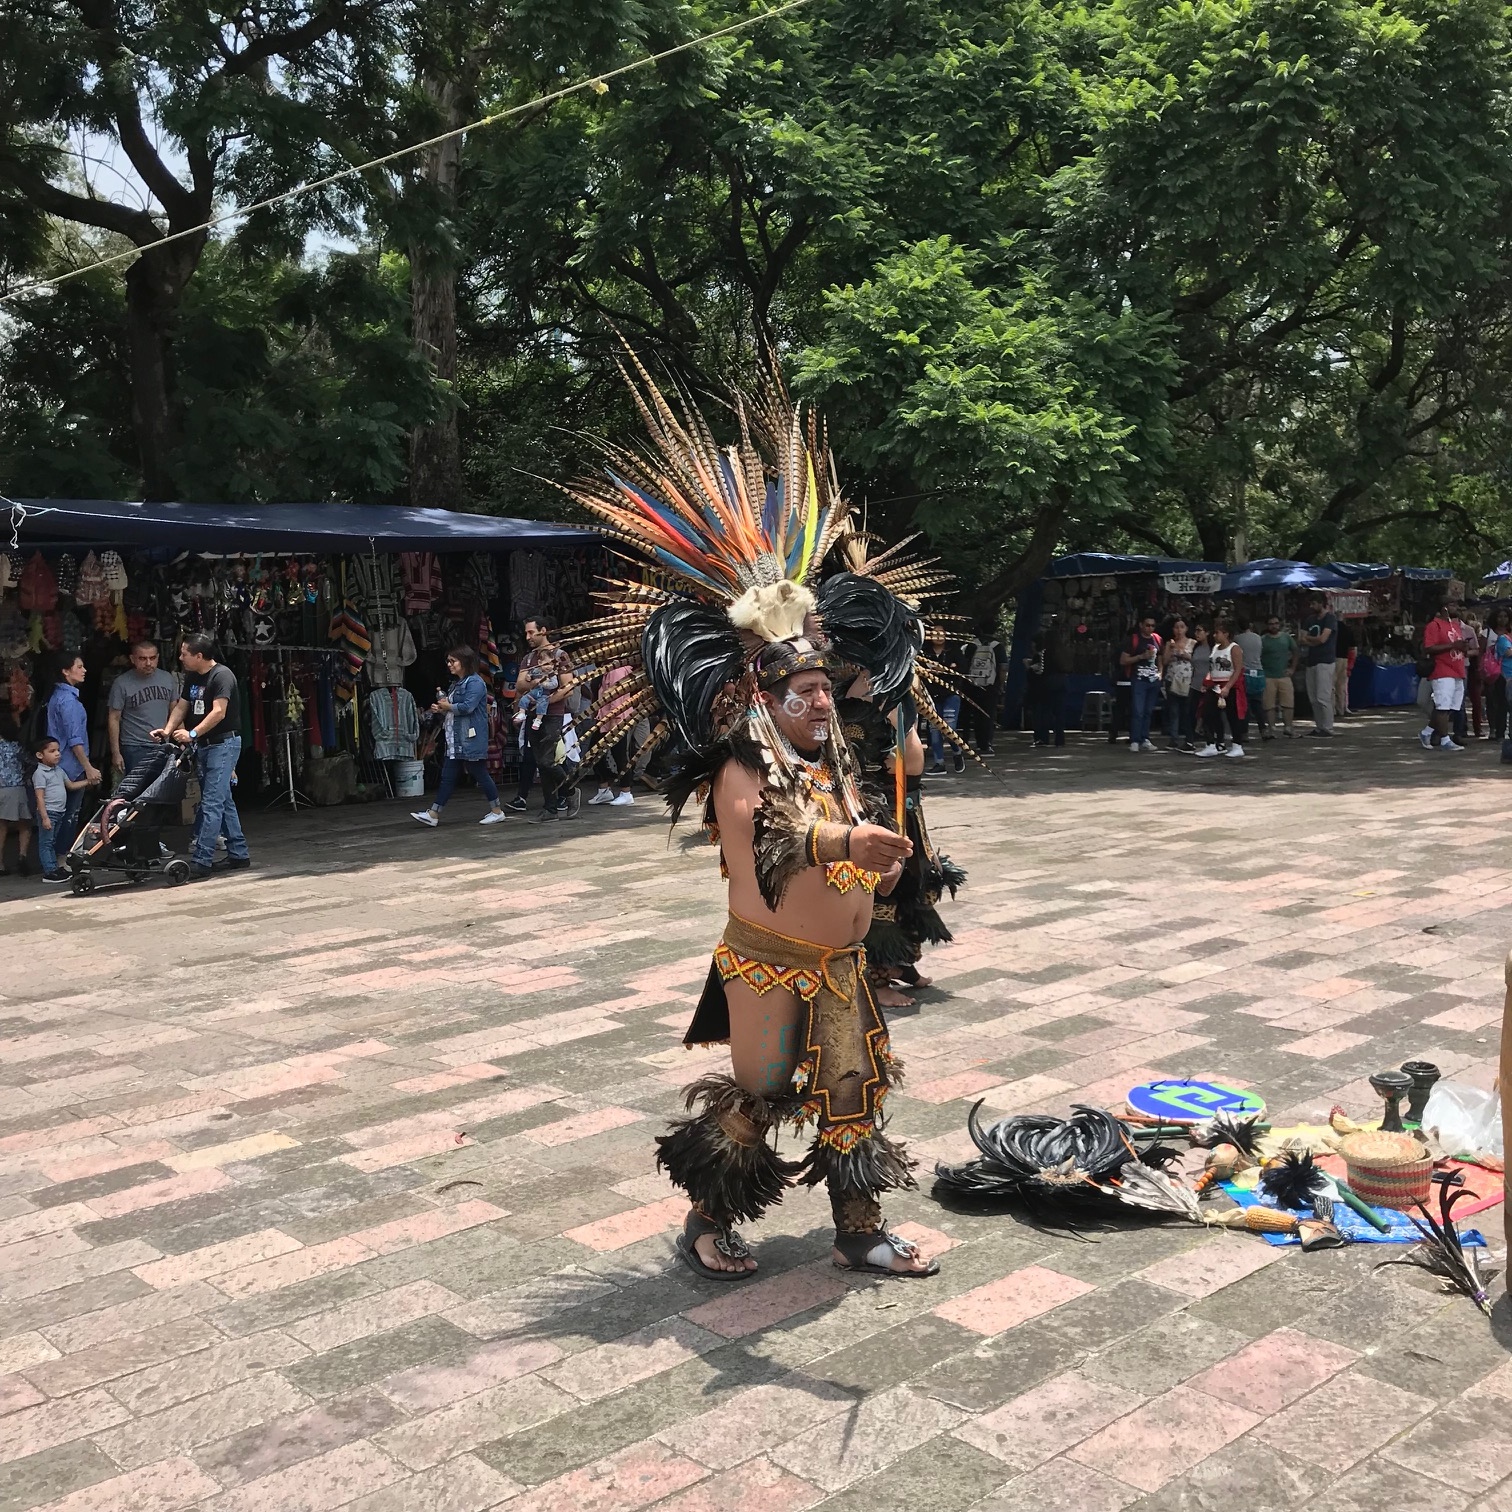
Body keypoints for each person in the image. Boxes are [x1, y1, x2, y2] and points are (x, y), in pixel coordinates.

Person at [564, 363, 943, 1281]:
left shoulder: (837, 758)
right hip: (767, 959)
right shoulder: (740, 764)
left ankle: (858, 1229)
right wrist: (845, 842)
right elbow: (771, 842)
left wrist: (884, 868)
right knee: (761, 1091)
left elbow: (853, 842)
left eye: (825, 687)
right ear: (765, 697)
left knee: (853, 1091)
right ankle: (705, 1222)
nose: (819, 701)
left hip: (843, 963)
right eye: (801, 692)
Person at [153, 633, 251, 879]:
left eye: (184, 653)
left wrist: (192, 733)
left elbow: (219, 712)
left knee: (211, 803)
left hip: (222, 744)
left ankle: (202, 860)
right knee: (223, 800)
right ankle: (239, 853)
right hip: (205, 746)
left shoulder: (222, 676)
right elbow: (182, 705)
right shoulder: (193, 676)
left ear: (199, 656)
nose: (180, 657)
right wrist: (167, 730)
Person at [411, 646, 507, 828]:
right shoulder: (457, 683)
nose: (449, 665)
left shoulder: (475, 683)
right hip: (456, 738)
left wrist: (447, 707)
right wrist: (442, 709)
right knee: (448, 776)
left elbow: (467, 707)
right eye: (448, 661)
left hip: (468, 738)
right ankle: (433, 813)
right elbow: (455, 707)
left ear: (464, 662)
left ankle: (497, 811)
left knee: (479, 773)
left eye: (453, 661)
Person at [517, 617, 579, 821]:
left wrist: (546, 700)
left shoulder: (560, 655)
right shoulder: (528, 659)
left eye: (531, 632)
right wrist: (536, 684)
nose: (528, 637)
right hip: (532, 714)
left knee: (546, 761)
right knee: (540, 762)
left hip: (553, 715)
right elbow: (519, 685)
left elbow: (568, 688)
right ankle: (550, 808)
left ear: (543, 631)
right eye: (526, 633)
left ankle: (570, 790)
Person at [46, 654, 101, 856]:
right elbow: (74, 739)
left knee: (60, 814)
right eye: (79, 666)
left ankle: (55, 857)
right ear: (65, 671)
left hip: (62, 763)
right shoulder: (68, 700)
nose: (84, 670)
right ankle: (61, 857)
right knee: (69, 815)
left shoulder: (57, 696)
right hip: (71, 765)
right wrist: (88, 767)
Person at [108, 641, 179, 778]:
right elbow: (114, 718)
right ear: (132, 659)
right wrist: (116, 753)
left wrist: (181, 741)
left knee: (161, 788)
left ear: (158, 658)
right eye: (142, 658)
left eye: (152, 658)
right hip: (134, 747)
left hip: (163, 746)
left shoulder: (167, 679)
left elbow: (175, 712)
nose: (148, 663)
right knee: (137, 789)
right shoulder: (122, 683)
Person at [32, 736, 90, 883]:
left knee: (52, 841)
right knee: (46, 843)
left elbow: (71, 785)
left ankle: (54, 868)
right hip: (49, 812)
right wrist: (44, 817)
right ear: (40, 755)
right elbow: (39, 797)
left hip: (59, 812)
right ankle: (49, 871)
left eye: (58, 750)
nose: (57, 754)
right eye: (52, 751)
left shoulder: (59, 770)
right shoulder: (40, 774)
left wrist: (88, 781)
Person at [1419, 597, 1473, 753]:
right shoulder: (1434, 625)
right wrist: (1453, 645)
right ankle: (1445, 740)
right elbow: (1429, 648)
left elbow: (1458, 646)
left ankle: (1427, 732)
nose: (1457, 607)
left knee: (1448, 707)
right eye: (1452, 605)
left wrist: (1463, 647)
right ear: (1444, 608)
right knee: (1442, 706)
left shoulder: (1455, 626)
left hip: (1458, 669)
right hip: (1442, 670)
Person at [586, 663, 638, 807]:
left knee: (619, 755)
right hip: (603, 719)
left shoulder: (617, 671)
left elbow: (617, 698)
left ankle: (626, 792)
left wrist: (613, 722)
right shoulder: (606, 670)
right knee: (594, 754)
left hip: (615, 719)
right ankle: (604, 790)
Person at [1196, 618, 1246, 758]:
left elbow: (1238, 669)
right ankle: (1211, 744)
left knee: (1233, 716)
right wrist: (1206, 683)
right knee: (1208, 714)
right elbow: (1212, 668)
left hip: (1230, 685)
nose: (1214, 635)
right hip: (1214, 685)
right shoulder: (1215, 648)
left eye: (1217, 632)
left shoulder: (1234, 648)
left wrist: (1228, 687)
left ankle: (1237, 745)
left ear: (1226, 634)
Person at [925, 628, 966, 772]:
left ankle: (957, 752)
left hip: (951, 694)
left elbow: (962, 669)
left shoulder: (953, 650)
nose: (938, 636)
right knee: (934, 729)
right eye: (934, 633)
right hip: (932, 695)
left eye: (941, 633)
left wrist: (946, 670)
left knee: (949, 727)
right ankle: (939, 763)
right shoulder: (925, 652)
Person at [1121, 612, 1163, 752]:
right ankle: (1135, 739)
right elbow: (1123, 660)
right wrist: (1141, 657)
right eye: (1147, 625)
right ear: (1141, 625)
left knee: (1148, 711)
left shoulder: (1157, 639)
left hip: (1153, 679)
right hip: (1139, 679)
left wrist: (1160, 672)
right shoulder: (1133, 640)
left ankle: (1145, 738)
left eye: (1152, 626)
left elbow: (1160, 657)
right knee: (1138, 711)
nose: (1150, 628)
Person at [1299, 594, 1339, 736]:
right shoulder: (1310, 619)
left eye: (1314, 603)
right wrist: (1313, 640)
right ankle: (1319, 726)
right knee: (1313, 697)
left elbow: (1323, 639)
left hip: (1325, 661)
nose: (1312, 606)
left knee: (1323, 695)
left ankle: (1328, 727)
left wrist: (1309, 639)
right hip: (1311, 661)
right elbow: (1301, 638)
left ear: (1321, 603)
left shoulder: (1330, 618)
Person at [1024, 621, 1068, 748]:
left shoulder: (1045, 652)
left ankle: (1043, 738)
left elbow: (1041, 670)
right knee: (1059, 713)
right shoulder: (1064, 651)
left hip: (1048, 684)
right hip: (1062, 682)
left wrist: (1030, 668)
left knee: (1045, 712)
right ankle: (1060, 739)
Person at [0, 710, 33, 877]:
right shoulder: (15, 747)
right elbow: (31, 761)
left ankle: (0, 863)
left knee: (2, 827)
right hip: (15, 788)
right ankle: (22, 857)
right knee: (24, 825)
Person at [964, 631, 1007, 753]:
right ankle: (986, 743)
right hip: (991, 685)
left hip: (973, 685)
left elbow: (965, 665)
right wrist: (1001, 684)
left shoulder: (971, 646)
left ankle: (972, 741)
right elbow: (1003, 668)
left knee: (975, 714)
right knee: (989, 714)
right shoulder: (998, 647)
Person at [1260, 615, 1300, 738]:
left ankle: (1288, 727)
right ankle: (1272, 729)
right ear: (1267, 625)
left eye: (1276, 623)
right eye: (1271, 624)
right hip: (1268, 676)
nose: (1274, 626)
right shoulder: (1262, 640)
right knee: (1269, 705)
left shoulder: (1286, 637)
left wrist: (1292, 668)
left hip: (1284, 675)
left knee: (1288, 703)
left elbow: (1295, 651)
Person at [1160, 616, 1195, 748]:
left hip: (1187, 680)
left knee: (1187, 710)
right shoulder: (1170, 643)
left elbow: (1196, 660)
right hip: (1172, 679)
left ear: (1186, 628)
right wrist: (1170, 650)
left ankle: (1188, 738)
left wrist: (1184, 654)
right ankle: (1173, 738)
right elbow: (1165, 661)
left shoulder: (1193, 643)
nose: (1179, 630)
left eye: (1182, 627)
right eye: (1176, 627)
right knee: (1173, 710)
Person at [1234, 618, 1266, 738]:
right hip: (1258, 672)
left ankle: (1244, 732)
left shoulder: (1237, 639)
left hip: (1245, 673)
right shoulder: (1258, 638)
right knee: (1257, 703)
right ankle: (1263, 730)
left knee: (1245, 704)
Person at [1486, 609, 1512, 744]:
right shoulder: (1503, 639)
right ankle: (1500, 733)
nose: (1503, 620)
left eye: (1506, 617)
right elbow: (1508, 653)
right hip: (1504, 676)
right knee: (1502, 705)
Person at [1334, 617, 1358, 718]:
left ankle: (1333, 710)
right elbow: (1353, 648)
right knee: (1342, 686)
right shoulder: (1348, 630)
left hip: (1333, 658)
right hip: (1344, 658)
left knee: (1332, 686)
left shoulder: (1332, 628)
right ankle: (1342, 708)